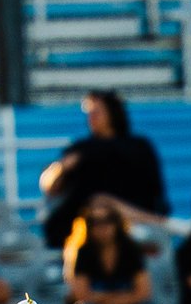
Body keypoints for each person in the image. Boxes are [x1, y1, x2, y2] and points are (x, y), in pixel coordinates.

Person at [39, 90, 169, 250]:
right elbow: (49, 186)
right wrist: (62, 167)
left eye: (97, 112)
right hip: (84, 227)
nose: (91, 117)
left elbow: (155, 189)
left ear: (112, 112)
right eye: (89, 113)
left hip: (133, 222)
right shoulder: (80, 149)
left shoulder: (138, 147)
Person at [61, 198, 172, 304]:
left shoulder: (130, 250)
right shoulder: (83, 253)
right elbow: (82, 297)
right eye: (95, 222)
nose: (103, 227)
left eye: (109, 220)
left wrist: (104, 299)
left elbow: (144, 293)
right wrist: (123, 297)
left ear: (117, 222)